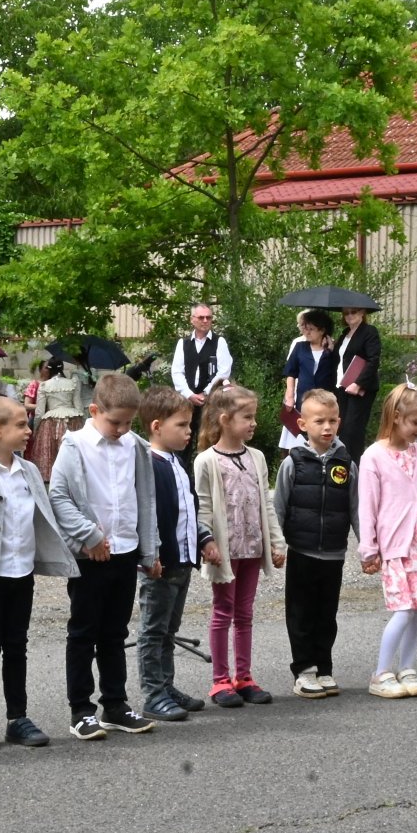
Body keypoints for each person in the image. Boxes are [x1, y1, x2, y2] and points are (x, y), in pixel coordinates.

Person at [0, 395, 75, 753]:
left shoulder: (29, 471)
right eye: (21, 424)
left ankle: (17, 718)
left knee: (17, 645)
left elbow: (44, 519)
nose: (28, 430)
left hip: (22, 575)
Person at [47, 371, 160, 741]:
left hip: (125, 553)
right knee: (83, 632)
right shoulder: (74, 445)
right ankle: (81, 709)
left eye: (129, 422)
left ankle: (115, 704)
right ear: (94, 409)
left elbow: (144, 500)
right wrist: (89, 536)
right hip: (89, 556)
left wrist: (150, 549)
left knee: (115, 632)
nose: (122, 429)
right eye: (115, 421)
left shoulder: (136, 447)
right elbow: (59, 498)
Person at [196, 383, 288, 707]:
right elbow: (203, 507)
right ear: (224, 419)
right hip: (224, 550)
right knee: (223, 612)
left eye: (254, 416)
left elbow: (266, 502)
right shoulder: (206, 461)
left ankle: (244, 676)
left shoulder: (257, 457)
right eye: (246, 417)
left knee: (245, 613)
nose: (253, 423)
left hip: (252, 548)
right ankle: (220, 681)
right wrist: (206, 541)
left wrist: (277, 543)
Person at [359, 383, 417, 699]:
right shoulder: (374, 456)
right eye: (415, 422)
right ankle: (381, 672)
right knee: (403, 608)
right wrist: (368, 547)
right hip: (397, 545)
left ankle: (408, 668)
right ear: (396, 417)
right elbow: (367, 506)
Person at [137, 386, 216, 722]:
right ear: (157, 427)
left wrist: (204, 539)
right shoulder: (149, 466)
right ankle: (153, 694)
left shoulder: (178, 463)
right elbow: (148, 516)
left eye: (188, 425)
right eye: (181, 425)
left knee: (169, 630)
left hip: (182, 562)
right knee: (152, 631)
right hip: (159, 564)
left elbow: (188, 512)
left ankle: (167, 686)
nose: (188, 431)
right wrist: (149, 554)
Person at [275, 389, 358, 699]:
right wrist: (277, 544)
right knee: (300, 613)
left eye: (332, 420)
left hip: (334, 553)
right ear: (302, 424)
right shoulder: (293, 463)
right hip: (302, 551)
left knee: (326, 614)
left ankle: (324, 667)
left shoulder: (346, 462)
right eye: (319, 421)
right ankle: (304, 669)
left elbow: (356, 507)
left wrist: (368, 546)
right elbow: (279, 507)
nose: (327, 427)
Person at [170, 302, 234, 466]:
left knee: (209, 442)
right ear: (192, 320)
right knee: (182, 444)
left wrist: (205, 393)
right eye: (201, 317)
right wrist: (189, 394)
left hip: (210, 402)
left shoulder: (219, 342)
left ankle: (209, 481)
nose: (205, 320)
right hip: (186, 402)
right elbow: (177, 372)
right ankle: (183, 481)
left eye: (209, 317)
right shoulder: (183, 344)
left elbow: (224, 371)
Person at [279, 310, 339, 452]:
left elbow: (337, 372)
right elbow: (291, 373)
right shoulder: (300, 347)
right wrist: (289, 396)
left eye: (311, 329)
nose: (307, 332)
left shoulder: (331, 350)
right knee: (300, 433)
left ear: (322, 330)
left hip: (324, 399)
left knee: (321, 430)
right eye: (305, 328)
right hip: (302, 398)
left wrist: (331, 351)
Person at [334, 305, 383, 460]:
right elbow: (341, 358)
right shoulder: (345, 334)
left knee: (352, 429)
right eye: (346, 313)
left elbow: (373, 360)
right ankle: (342, 464)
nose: (349, 316)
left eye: (353, 312)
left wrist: (358, 383)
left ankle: (354, 467)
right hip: (343, 387)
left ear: (362, 312)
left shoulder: (369, 332)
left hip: (360, 389)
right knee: (341, 427)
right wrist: (331, 347)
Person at [29, 351, 86, 482]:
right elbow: (79, 407)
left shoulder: (44, 385)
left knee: (50, 455)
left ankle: (52, 481)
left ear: (48, 369)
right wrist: (82, 424)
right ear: (62, 368)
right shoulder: (72, 383)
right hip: (72, 420)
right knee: (73, 452)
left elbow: (39, 412)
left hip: (50, 422)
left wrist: (36, 429)